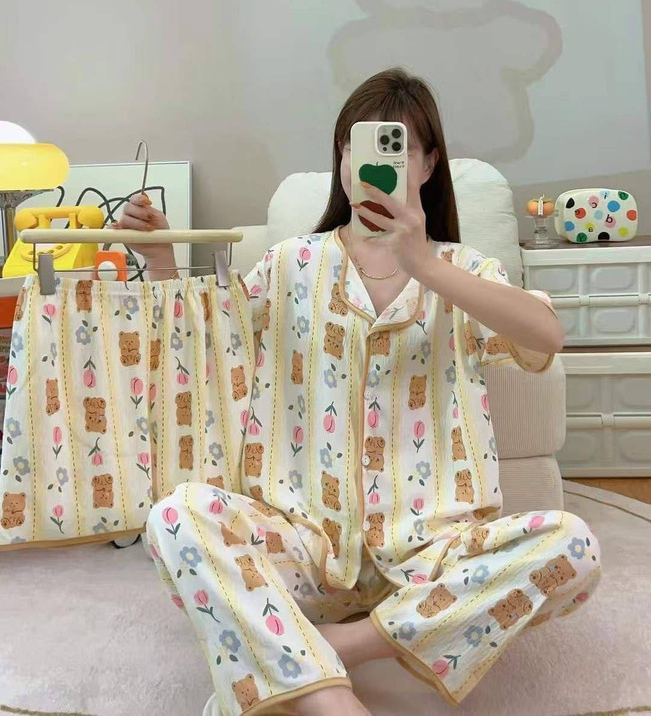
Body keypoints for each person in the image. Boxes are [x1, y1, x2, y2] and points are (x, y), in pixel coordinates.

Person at [119, 68, 601, 716]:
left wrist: (424, 265)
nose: (370, 164)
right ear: (341, 159)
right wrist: (158, 260)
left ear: (427, 164)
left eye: (396, 148)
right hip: (302, 547)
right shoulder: (291, 263)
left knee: (573, 548)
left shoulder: (464, 272)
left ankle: (324, 651)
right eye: (356, 146)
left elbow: (544, 337)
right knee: (177, 516)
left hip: (432, 557)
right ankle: (333, 702)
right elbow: (207, 344)